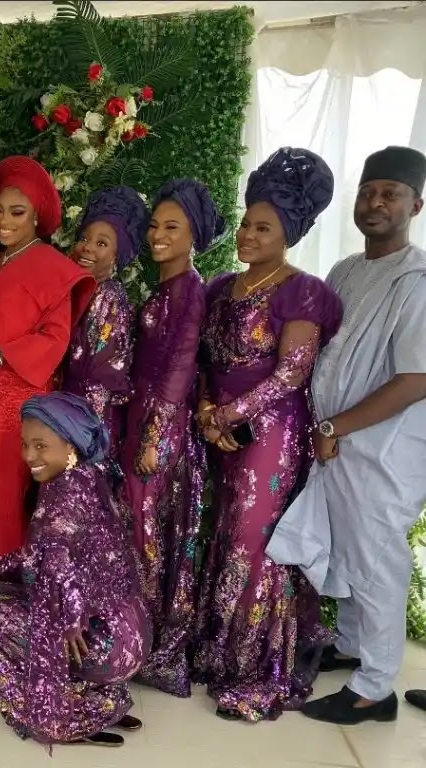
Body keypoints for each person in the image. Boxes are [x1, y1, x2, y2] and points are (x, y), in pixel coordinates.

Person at [267, 146, 426, 725]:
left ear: (416, 205)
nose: (375, 202)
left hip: (383, 447)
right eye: (368, 192)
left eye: (390, 194)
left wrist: (337, 425)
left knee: (377, 556)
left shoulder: (417, 280)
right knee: (351, 548)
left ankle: (375, 688)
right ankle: (355, 646)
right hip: (338, 441)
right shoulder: (346, 271)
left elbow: (416, 378)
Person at [192, 148, 342, 721]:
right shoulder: (220, 287)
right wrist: (207, 408)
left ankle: (258, 665)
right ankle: (219, 651)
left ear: (288, 236)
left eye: (263, 228)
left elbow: (291, 374)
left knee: (252, 542)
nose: (248, 235)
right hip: (222, 428)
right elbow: (202, 361)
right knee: (222, 531)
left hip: (273, 432)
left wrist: (228, 416)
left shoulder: (301, 291)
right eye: (246, 224)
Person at [0, 392, 151, 747]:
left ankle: (69, 715)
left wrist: (70, 621)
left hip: (103, 646)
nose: (29, 456)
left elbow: (55, 562)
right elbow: (36, 558)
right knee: (12, 591)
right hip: (133, 634)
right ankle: (105, 700)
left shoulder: (60, 502)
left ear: (70, 444)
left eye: (41, 446)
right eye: (25, 444)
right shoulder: (90, 476)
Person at [0, 156, 95, 558]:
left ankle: (1, 575)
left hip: (15, 404)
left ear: (36, 216)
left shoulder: (51, 266)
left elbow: (55, 339)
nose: (3, 221)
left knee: (2, 496)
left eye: (17, 212)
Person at [119, 178, 224, 698]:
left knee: (148, 533)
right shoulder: (165, 287)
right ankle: (138, 635)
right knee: (141, 529)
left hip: (158, 428)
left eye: (172, 227)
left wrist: (154, 439)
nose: (158, 235)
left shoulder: (189, 292)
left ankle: (154, 644)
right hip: (139, 419)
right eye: (155, 225)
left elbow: (181, 369)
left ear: (194, 236)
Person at [62, 186, 149, 469]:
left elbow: (100, 381)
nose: (87, 247)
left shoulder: (109, 297)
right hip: (64, 415)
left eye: (101, 243)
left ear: (116, 256)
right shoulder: (80, 290)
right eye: (84, 238)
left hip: (85, 426)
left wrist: (81, 442)